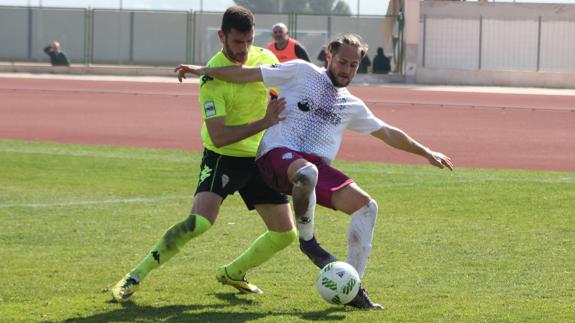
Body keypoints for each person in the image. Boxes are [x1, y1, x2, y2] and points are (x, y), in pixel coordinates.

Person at [176, 33, 454, 310]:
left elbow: (388, 133)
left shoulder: (351, 105)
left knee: (367, 207)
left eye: (353, 65)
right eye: (342, 62)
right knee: (307, 172)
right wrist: (203, 70)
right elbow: (247, 74)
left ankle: (352, 287)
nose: (346, 70)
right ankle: (309, 242)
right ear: (329, 56)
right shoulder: (301, 71)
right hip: (276, 155)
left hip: (314, 169)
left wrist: (427, 152)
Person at [112, 6, 297, 302]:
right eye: (237, 42)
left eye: (249, 41)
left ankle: (233, 273)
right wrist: (265, 122)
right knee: (199, 222)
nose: (244, 49)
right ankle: (134, 275)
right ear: (222, 36)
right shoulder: (210, 79)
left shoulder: (266, 58)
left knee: (285, 234)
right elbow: (220, 137)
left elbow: (283, 89)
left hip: (261, 157)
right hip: (223, 157)